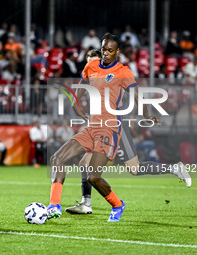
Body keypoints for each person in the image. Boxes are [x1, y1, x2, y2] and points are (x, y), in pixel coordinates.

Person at [65, 49, 192, 215]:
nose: (91, 66)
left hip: (115, 127)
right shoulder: (92, 79)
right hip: (98, 126)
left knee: (135, 169)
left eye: (94, 61)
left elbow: (133, 93)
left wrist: (144, 114)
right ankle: (86, 203)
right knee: (84, 163)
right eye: (88, 62)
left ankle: (175, 169)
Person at [47, 34, 151, 222]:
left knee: (94, 177)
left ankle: (118, 204)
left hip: (109, 129)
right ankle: (54, 206)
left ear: (118, 52)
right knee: (57, 158)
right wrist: (75, 103)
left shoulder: (123, 71)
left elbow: (137, 95)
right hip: (91, 126)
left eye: (110, 50)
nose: (105, 53)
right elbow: (82, 83)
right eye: (103, 49)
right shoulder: (92, 66)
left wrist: (147, 114)